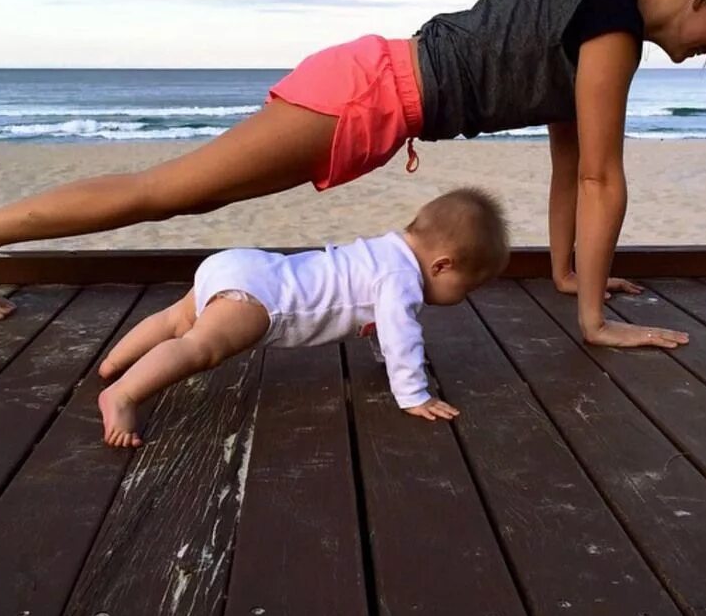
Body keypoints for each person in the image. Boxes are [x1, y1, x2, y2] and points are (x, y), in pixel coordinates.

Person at [0, 0, 706, 349]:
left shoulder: (596, 11)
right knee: (165, 191)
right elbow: (600, 178)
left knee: (171, 187)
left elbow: (568, 167)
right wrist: (594, 324)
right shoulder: (612, 22)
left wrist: (564, 277)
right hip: (367, 96)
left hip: (370, 91)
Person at [97, 187, 509, 447]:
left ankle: (115, 361)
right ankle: (123, 394)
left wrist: (384, 356)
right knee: (198, 348)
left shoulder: (385, 251)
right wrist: (414, 394)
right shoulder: (401, 277)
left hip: (244, 265)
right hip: (262, 302)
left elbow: (382, 326)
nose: (463, 298)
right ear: (442, 266)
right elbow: (401, 335)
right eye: (466, 288)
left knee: (175, 320)